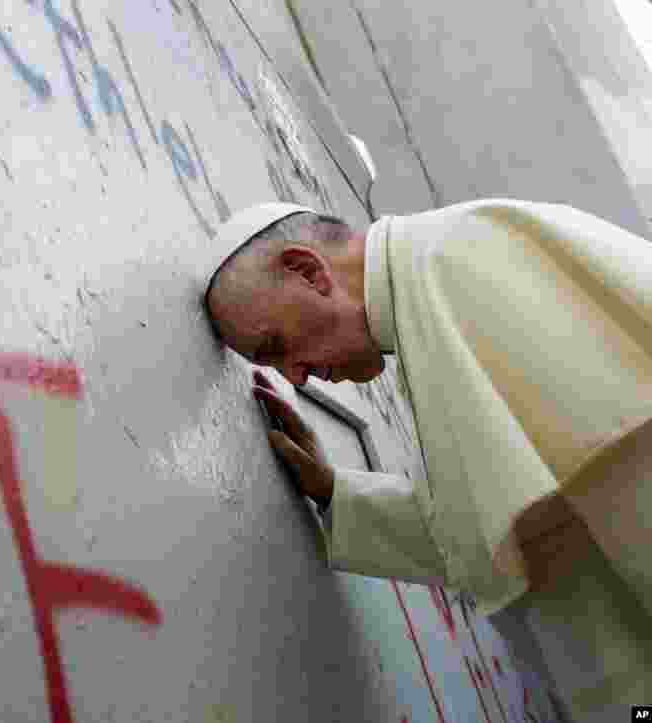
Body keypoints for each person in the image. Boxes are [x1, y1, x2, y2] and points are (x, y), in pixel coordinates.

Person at [202, 200, 652, 718]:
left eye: (276, 346)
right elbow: (502, 525)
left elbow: (622, 462)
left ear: (308, 271)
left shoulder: (465, 255)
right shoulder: (432, 291)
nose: (295, 378)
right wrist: (334, 492)